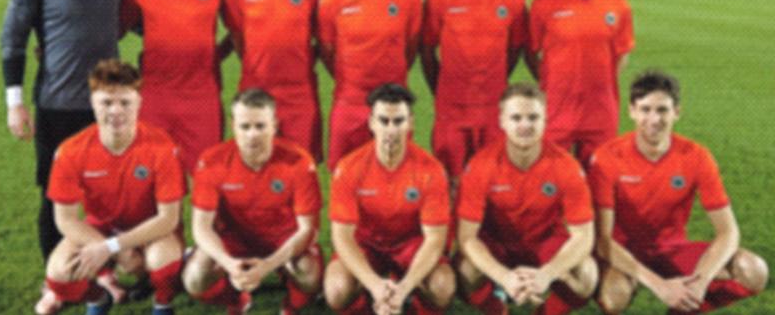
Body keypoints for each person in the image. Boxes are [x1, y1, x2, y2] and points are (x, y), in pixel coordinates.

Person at [0, 0, 122, 269]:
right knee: (56, 198)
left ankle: (107, 274)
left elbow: (141, 24)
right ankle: (59, 278)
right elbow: (13, 41)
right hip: (57, 107)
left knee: (112, 195)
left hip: (109, 110)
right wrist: (14, 103)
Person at [589, 71, 769, 314]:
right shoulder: (607, 158)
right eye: (645, 109)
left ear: (676, 112)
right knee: (614, 296)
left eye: (662, 110)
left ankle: (684, 309)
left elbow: (728, 232)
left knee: (754, 270)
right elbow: (603, 240)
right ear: (632, 111)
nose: (654, 119)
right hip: (625, 253)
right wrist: (659, 286)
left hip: (672, 250)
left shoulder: (696, 156)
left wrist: (700, 283)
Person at [34, 59, 186, 315]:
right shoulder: (70, 151)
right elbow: (66, 220)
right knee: (59, 273)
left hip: (152, 230)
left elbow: (168, 219)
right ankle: (98, 297)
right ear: (93, 103)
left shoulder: (163, 147)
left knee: (162, 260)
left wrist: (114, 247)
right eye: (106, 102)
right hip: (100, 229)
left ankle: (162, 303)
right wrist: (113, 248)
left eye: (125, 102)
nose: (116, 111)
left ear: (139, 102)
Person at [457, 83, 598, 314]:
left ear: (545, 120)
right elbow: (467, 238)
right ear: (502, 121)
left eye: (533, 117)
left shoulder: (566, 166)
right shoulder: (481, 166)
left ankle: (546, 312)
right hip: (498, 245)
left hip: (544, 243)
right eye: (516, 118)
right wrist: (504, 276)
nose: (525, 125)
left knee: (587, 277)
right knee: (465, 270)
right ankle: (496, 308)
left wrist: (548, 273)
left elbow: (583, 236)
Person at [182, 89, 323, 315]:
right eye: (245, 127)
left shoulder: (298, 161)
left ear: (274, 124)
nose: (252, 135)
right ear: (233, 125)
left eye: (260, 126)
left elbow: (309, 230)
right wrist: (229, 265)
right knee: (195, 279)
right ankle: (235, 298)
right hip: (234, 241)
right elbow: (201, 226)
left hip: (283, 240)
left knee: (311, 275)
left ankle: (292, 304)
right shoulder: (212, 161)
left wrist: (268, 265)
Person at [324, 84, 455, 315]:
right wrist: (375, 285)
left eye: (399, 121)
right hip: (366, 245)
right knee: (336, 290)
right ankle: (368, 303)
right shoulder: (348, 168)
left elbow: (434, 240)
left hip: (411, 246)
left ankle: (411, 303)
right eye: (384, 121)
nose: (391, 129)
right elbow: (342, 237)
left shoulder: (431, 170)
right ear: (372, 123)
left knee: (442, 288)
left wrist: (404, 289)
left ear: (411, 123)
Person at [122, 0, 230, 172]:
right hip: (154, 97)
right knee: (155, 180)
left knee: (206, 181)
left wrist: (215, 56)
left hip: (202, 98)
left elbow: (243, 32)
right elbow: (111, 31)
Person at [421, 0, 528, 181]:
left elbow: (515, 50)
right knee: (450, 185)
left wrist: (495, 81)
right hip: (451, 110)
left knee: (494, 184)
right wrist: (442, 89)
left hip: (494, 110)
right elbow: (426, 50)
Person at [318, 0, 423, 170]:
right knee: (343, 175)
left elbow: (410, 48)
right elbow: (327, 51)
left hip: (393, 106)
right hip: (348, 103)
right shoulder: (333, 0)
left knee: (395, 175)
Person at [527, 0, 634, 167]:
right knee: (552, 183)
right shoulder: (544, 5)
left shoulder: (618, 6)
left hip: (600, 113)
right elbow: (531, 52)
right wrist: (549, 82)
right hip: (557, 110)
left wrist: (598, 84)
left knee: (600, 185)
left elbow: (622, 55)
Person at [224, 0, 325, 162]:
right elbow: (238, 38)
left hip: (299, 94)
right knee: (254, 167)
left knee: (301, 166)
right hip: (254, 89)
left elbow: (323, 42)